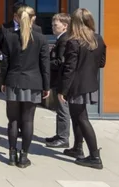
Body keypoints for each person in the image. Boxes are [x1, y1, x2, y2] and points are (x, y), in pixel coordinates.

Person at [0, 4, 49, 168]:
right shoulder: (41, 38)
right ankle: (23, 157)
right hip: (33, 83)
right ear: (33, 19)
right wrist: (46, 86)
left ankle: (12, 154)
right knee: (28, 121)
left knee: (12, 120)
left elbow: (5, 62)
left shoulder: (10, 36)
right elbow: (45, 65)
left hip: (13, 81)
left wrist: (3, 81)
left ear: (18, 18)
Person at [59, 8, 106, 169]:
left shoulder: (74, 42)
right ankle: (77, 148)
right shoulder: (98, 39)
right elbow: (102, 63)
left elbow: (69, 68)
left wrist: (62, 91)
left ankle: (94, 156)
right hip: (90, 83)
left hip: (76, 85)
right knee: (77, 116)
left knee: (81, 118)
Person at [42, 12, 72, 149]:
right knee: (59, 109)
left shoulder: (64, 40)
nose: (53, 27)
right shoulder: (61, 39)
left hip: (61, 81)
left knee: (62, 110)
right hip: (58, 80)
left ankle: (63, 137)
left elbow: (61, 62)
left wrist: (45, 62)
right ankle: (59, 134)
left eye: (56, 25)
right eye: (52, 24)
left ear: (65, 26)